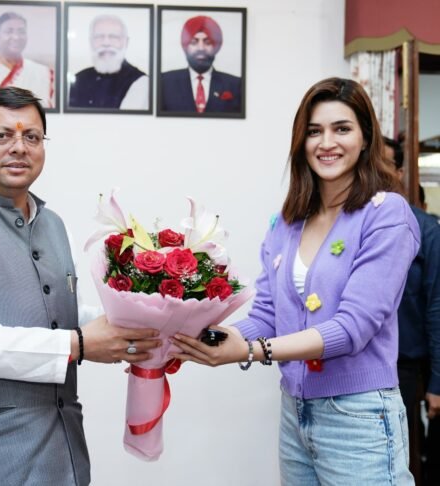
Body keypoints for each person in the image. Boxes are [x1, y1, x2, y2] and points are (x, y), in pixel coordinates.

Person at [0, 87, 161, 486]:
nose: (19, 147)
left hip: (60, 458)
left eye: (32, 137)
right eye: (2, 135)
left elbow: (65, 316)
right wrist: (77, 344)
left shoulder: (53, 225)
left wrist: (147, 325)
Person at [171, 78, 419, 484]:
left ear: (365, 137)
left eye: (342, 128)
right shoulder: (287, 222)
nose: (327, 143)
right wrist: (196, 338)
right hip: (296, 411)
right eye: (314, 131)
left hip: (359, 417)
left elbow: (352, 328)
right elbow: (268, 317)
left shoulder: (386, 214)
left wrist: (250, 351)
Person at [383, 137, 440, 486]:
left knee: (401, 460)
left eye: (383, 163)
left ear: (400, 172)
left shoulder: (425, 229)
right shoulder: (346, 225)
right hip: (351, 367)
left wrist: (437, 381)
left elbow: (437, 305)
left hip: (404, 367)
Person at [160, 15, 242, 114]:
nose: (201, 48)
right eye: (194, 42)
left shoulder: (236, 85)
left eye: (207, 42)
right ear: (185, 46)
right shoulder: (164, 82)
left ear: (216, 47)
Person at [68, 14, 148, 110]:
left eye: (113, 37)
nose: (106, 43)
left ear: (126, 42)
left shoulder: (140, 82)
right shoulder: (79, 79)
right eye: (99, 37)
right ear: (91, 42)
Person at [0, 12, 54, 107]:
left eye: (21, 32)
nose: (16, 37)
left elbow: (43, 107)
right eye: (9, 31)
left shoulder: (40, 71)